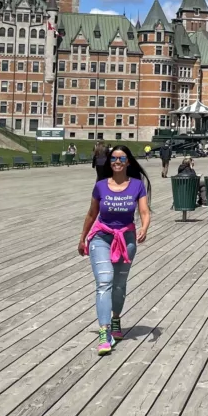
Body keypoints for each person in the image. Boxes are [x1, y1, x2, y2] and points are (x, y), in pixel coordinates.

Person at [77, 145, 150, 355]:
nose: (117, 162)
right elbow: (91, 214)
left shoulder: (137, 185)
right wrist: (82, 239)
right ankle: (104, 331)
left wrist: (144, 228)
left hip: (126, 237)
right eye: (114, 159)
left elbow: (144, 211)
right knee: (105, 281)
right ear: (109, 162)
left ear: (128, 162)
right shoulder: (100, 186)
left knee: (119, 284)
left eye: (122, 158)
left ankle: (116, 318)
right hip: (101, 236)